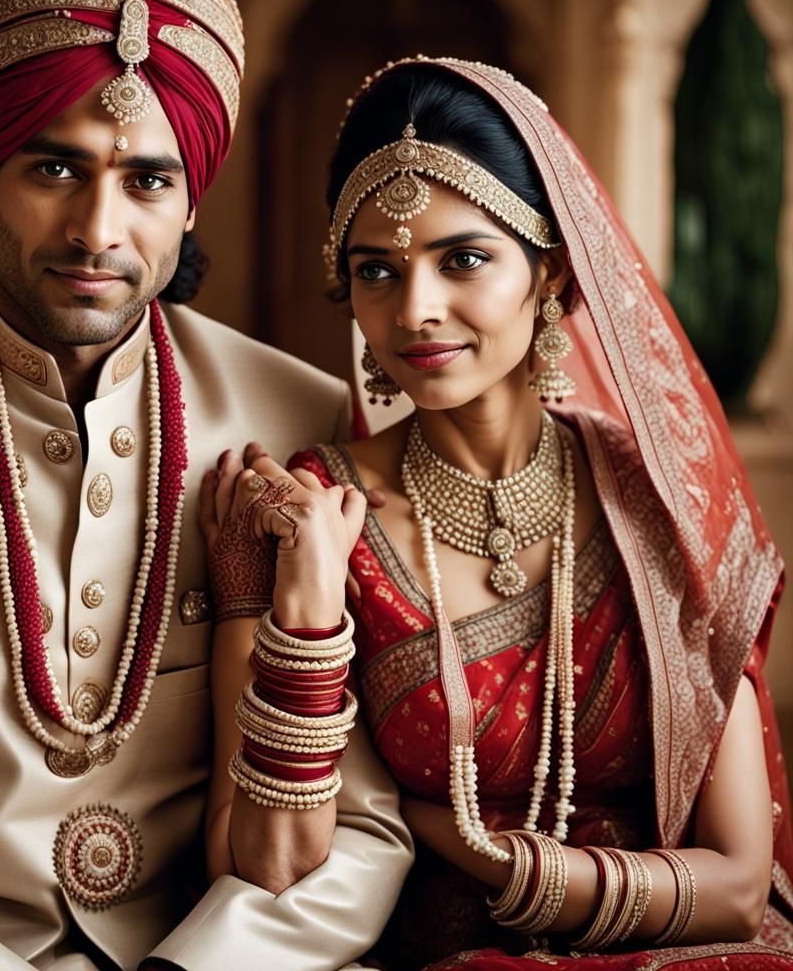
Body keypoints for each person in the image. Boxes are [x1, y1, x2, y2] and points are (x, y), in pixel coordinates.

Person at [0, 0, 413, 969]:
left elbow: (367, 832)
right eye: (55, 168)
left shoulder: (300, 415)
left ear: (190, 202)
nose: (97, 230)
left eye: (147, 180)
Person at [202, 56, 793, 970]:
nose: (416, 310)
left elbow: (739, 888)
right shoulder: (307, 513)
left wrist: (481, 851)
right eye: (376, 270)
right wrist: (311, 610)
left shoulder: (656, 496)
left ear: (550, 273)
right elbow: (267, 867)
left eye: (463, 259)